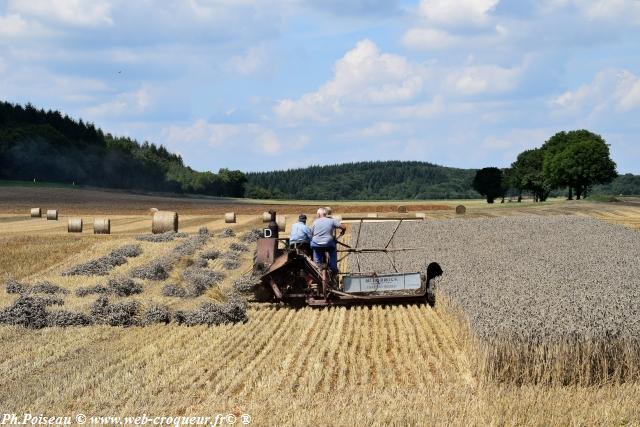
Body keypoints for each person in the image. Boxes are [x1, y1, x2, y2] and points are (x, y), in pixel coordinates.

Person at [310, 207, 346, 273]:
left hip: (316, 243)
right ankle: (334, 269)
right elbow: (343, 227)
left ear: (318, 214)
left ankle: (317, 268)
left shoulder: (315, 222)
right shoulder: (331, 221)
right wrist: (343, 232)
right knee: (332, 251)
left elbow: (311, 234)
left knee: (316, 251)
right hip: (328, 243)